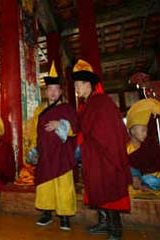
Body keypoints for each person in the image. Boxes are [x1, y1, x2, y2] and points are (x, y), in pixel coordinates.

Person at [72, 59, 132, 240]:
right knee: (98, 188)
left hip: (106, 154)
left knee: (108, 188)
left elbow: (108, 131)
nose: (76, 88)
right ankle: (104, 222)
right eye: (75, 85)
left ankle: (116, 228)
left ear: (88, 84)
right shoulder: (88, 103)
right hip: (95, 154)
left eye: (78, 84)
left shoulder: (101, 102)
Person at [34, 61, 78, 230]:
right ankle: (46, 213)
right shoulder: (40, 111)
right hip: (45, 153)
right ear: (46, 92)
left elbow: (75, 129)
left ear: (60, 91)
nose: (52, 93)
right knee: (45, 184)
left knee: (63, 185)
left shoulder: (67, 108)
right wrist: (34, 149)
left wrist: (60, 124)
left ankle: (65, 216)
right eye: (49, 89)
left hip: (61, 154)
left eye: (55, 90)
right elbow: (35, 132)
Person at [126, 98, 160, 194]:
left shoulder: (149, 146)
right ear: (132, 130)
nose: (145, 133)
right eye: (143, 130)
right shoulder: (126, 149)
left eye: (146, 130)